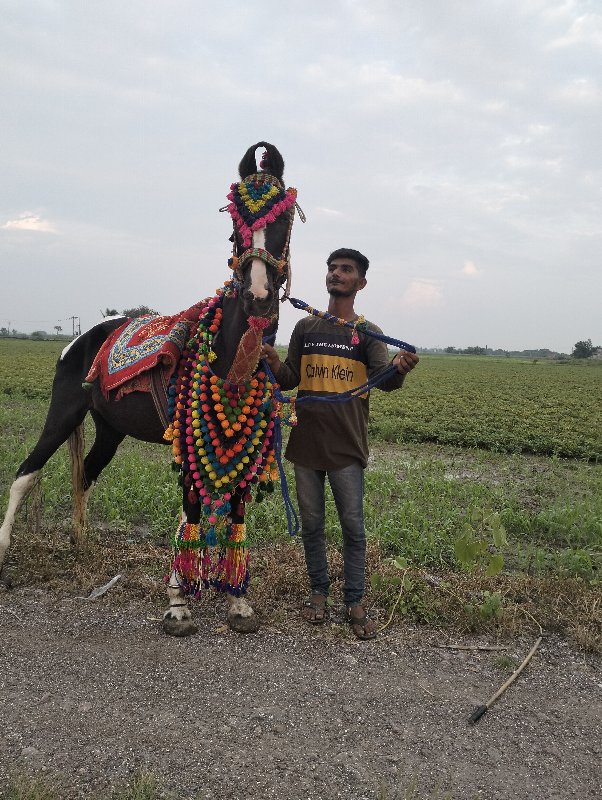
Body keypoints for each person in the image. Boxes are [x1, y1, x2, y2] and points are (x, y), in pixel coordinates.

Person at [261, 248, 418, 640]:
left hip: (347, 445)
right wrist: (272, 362)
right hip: (306, 444)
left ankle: (354, 600)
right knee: (312, 525)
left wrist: (398, 369)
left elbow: (385, 379)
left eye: (345, 270)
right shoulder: (305, 328)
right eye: (332, 268)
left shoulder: (368, 334)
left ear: (360, 282)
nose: (336, 274)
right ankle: (318, 594)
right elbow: (290, 378)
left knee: (352, 526)